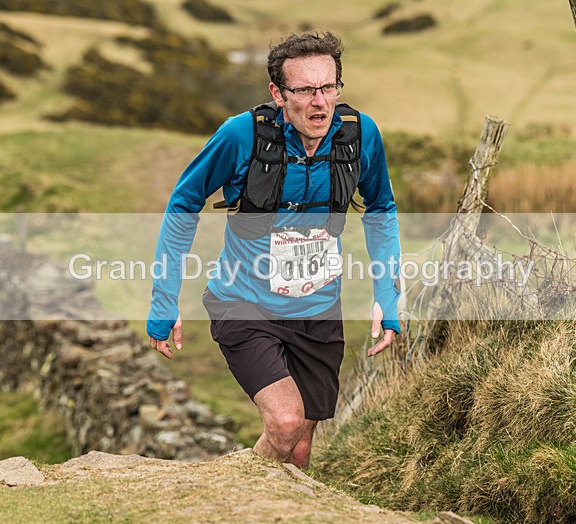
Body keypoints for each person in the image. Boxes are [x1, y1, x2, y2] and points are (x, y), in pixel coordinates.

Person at [147, 31, 400, 468]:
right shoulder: (241, 135)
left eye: (328, 87)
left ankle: (265, 503)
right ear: (278, 94)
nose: (319, 103)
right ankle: (229, 491)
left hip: (319, 309)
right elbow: (184, 203)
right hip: (243, 302)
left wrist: (387, 296)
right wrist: (164, 299)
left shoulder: (360, 135)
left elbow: (381, 209)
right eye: (304, 90)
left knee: (299, 446)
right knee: (284, 423)